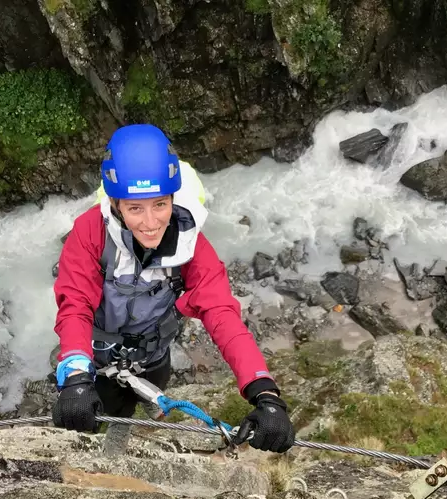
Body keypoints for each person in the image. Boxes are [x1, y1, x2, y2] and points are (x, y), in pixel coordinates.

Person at [51, 123, 295, 455]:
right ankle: (117, 428)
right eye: (135, 208)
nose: (150, 223)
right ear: (116, 204)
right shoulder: (91, 232)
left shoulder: (190, 245)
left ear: (172, 199)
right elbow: (75, 302)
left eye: (160, 205)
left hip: (154, 354)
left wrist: (264, 392)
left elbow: (221, 313)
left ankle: (144, 408)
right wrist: (77, 374)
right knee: (102, 410)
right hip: (97, 355)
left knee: (148, 390)